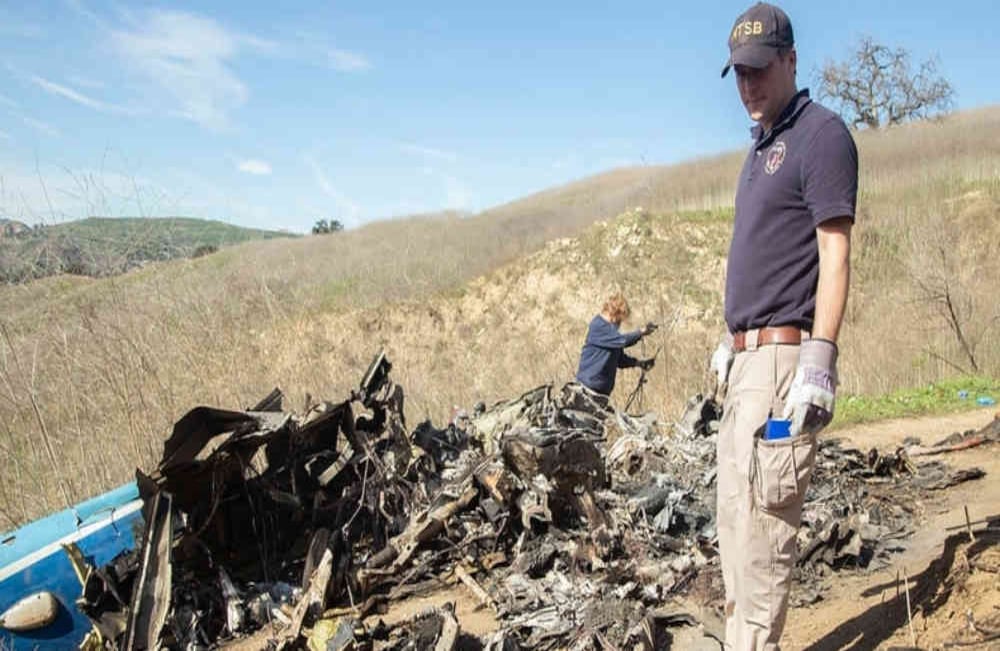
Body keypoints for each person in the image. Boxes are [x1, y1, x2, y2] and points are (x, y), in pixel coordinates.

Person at [712, 3, 858, 649]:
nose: (749, 85)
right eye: (739, 74)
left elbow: (834, 252)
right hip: (745, 363)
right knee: (735, 534)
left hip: (781, 366)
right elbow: (765, 252)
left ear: (792, 60)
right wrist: (729, 337)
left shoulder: (821, 135)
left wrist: (819, 359)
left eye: (760, 70)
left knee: (766, 533)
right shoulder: (763, 145)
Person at [575, 293, 656, 402]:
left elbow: (620, 360)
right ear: (614, 313)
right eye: (619, 320)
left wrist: (639, 363)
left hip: (601, 394)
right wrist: (641, 332)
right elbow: (622, 341)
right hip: (587, 391)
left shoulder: (611, 335)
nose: (619, 324)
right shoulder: (598, 326)